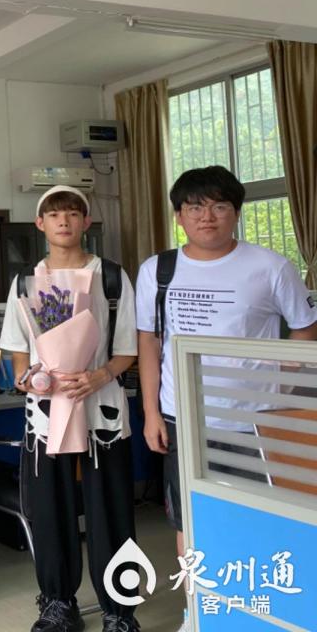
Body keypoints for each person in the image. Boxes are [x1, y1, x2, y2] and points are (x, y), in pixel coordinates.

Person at [135, 165, 317, 632]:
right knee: (189, 521)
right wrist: (152, 412)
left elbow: (305, 329)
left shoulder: (271, 267)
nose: (207, 216)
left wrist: (280, 385)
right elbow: (149, 342)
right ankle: (197, 612)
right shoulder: (157, 270)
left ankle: (259, 614)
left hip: (255, 420)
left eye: (219, 206)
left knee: (262, 517)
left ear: (236, 213)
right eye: (194, 207)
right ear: (179, 215)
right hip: (183, 418)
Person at [0, 185, 139, 632]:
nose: (64, 221)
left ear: (86, 222)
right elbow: (17, 348)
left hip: (101, 413)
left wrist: (100, 375)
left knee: (111, 510)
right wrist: (27, 377)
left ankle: (119, 611)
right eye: (55, 214)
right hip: (46, 415)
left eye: (73, 213)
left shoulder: (111, 276)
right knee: (50, 510)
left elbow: (128, 347)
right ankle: (58, 604)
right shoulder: (25, 281)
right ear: (40, 224)